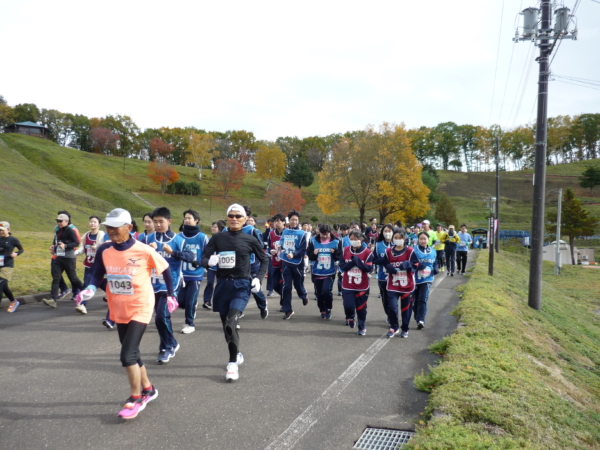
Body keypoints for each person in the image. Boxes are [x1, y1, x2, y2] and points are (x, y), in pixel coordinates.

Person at [76, 208, 171, 419]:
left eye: (115, 227)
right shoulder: (104, 249)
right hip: (119, 307)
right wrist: (90, 288)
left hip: (141, 306)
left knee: (127, 355)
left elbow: (165, 269)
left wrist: (172, 295)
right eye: (108, 227)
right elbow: (95, 273)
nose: (111, 231)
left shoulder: (143, 250)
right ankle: (149, 389)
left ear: (128, 227)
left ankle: (136, 398)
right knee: (133, 352)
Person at [200, 204, 268, 381]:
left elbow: (264, 260)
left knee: (231, 322)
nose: (235, 219)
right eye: (231, 215)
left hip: (241, 285)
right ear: (227, 217)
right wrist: (209, 262)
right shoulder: (217, 238)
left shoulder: (250, 239)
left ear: (245, 219)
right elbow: (203, 258)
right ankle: (236, 353)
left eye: (239, 216)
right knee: (226, 325)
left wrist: (257, 279)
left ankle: (231, 363)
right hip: (223, 285)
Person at [146, 207, 195, 364]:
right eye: (155, 222)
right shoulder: (147, 239)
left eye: (161, 221)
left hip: (171, 284)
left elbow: (191, 257)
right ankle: (171, 343)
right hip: (152, 283)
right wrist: (148, 251)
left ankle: (166, 347)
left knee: (161, 316)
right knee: (160, 318)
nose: (158, 225)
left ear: (169, 221)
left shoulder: (178, 240)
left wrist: (173, 253)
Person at [381, 227, 418, 338]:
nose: (397, 239)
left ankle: (405, 328)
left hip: (407, 285)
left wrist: (408, 265)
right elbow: (385, 263)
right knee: (392, 307)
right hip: (393, 284)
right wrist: (389, 267)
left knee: (406, 309)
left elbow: (416, 265)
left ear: (404, 238)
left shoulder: (410, 251)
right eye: (395, 238)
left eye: (399, 238)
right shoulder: (388, 251)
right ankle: (394, 326)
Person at [177, 209, 208, 334]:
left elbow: (208, 253)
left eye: (189, 218)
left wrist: (199, 262)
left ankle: (190, 323)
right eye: (185, 218)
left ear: (196, 220)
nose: (187, 220)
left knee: (190, 301)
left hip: (195, 274)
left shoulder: (202, 237)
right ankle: (192, 305)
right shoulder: (178, 237)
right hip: (181, 275)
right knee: (181, 302)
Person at [43, 213, 83, 308]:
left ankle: (85, 291)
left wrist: (66, 246)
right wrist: (53, 246)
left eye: (60, 221)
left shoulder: (70, 230)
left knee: (73, 278)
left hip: (69, 258)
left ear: (66, 221)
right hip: (59, 257)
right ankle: (53, 299)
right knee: (56, 278)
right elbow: (56, 241)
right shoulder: (58, 231)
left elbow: (76, 243)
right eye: (57, 221)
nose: (59, 223)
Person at [340, 229, 373, 335]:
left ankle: (362, 326)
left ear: (361, 239)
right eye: (351, 239)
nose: (353, 241)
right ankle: (350, 317)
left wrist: (357, 262)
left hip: (362, 286)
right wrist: (352, 262)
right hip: (347, 284)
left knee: (362, 308)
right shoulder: (345, 250)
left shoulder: (367, 252)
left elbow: (369, 268)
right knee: (348, 305)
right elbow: (343, 266)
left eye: (356, 239)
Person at [307, 224, 342, 319]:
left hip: (329, 272)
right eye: (323, 234)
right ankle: (322, 309)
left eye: (327, 234)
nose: (325, 236)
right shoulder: (313, 241)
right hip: (316, 271)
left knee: (326, 291)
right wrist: (314, 254)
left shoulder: (336, 242)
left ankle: (328, 308)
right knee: (318, 293)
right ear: (319, 232)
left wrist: (334, 253)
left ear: (330, 233)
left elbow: (339, 256)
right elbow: (309, 255)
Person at [72, 216, 106, 314]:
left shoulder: (102, 236)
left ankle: (113, 295)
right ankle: (82, 305)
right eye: (91, 222)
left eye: (95, 222)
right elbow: (82, 248)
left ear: (99, 224)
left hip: (99, 265)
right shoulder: (86, 235)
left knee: (102, 283)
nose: (92, 224)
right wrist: (74, 253)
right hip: (88, 265)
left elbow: (105, 248)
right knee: (87, 283)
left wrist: (97, 248)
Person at [279, 210, 309, 319]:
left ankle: (303, 295)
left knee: (298, 285)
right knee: (286, 287)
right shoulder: (285, 231)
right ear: (289, 220)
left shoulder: (302, 234)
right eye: (292, 220)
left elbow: (303, 250)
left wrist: (294, 254)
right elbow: (282, 243)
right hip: (286, 262)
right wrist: (279, 247)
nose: (294, 222)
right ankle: (288, 310)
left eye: (296, 220)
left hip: (297, 263)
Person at [413, 231, 437, 329]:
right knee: (414, 301)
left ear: (428, 240)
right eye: (421, 239)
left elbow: (436, 262)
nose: (423, 241)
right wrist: (418, 265)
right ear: (418, 240)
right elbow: (410, 262)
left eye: (425, 239)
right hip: (414, 279)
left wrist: (435, 268)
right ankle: (417, 316)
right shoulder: (414, 250)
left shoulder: (433, 251)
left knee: (423, 299)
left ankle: (421, 320)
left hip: (427, 279)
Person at [0, 222, 24, 313]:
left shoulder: (13, 240)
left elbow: (21, 249)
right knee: (4, 286)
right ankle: (14, 302)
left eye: (2, 230)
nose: (1, 232)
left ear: (8, 230)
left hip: (7, 266)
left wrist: (16, 254)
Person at [373, 224, 394, 319]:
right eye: (385, 231)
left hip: (396, 277)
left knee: (393, 299)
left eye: (389, 231)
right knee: (385, 299)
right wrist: (384, 259)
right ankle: (389, 315)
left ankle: (393, 315)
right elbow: (374, 260)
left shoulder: (399, 244)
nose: (387, 233)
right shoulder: (378, 245)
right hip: (382, 276)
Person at [266, 213, 286, 306]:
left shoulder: (288, 233)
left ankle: (285, 303)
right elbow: (268, 247)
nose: (276, 223)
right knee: (274, 285)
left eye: (278, 221)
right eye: (275, 221)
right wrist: (271, 251)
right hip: (275, 263)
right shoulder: (271, 233)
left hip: (286, 263)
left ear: (284, 222)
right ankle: (284, 297)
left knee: (284, 284)